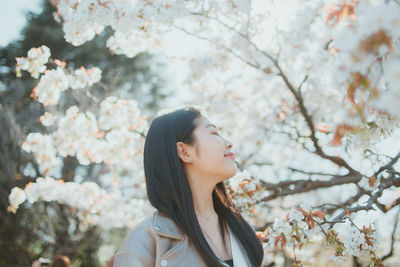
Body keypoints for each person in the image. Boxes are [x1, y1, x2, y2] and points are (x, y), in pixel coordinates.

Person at [113, 107, 264, 267]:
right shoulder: (144, 243)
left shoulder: (242, 230)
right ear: (184, 152)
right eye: (214, 133)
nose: (228, 143)